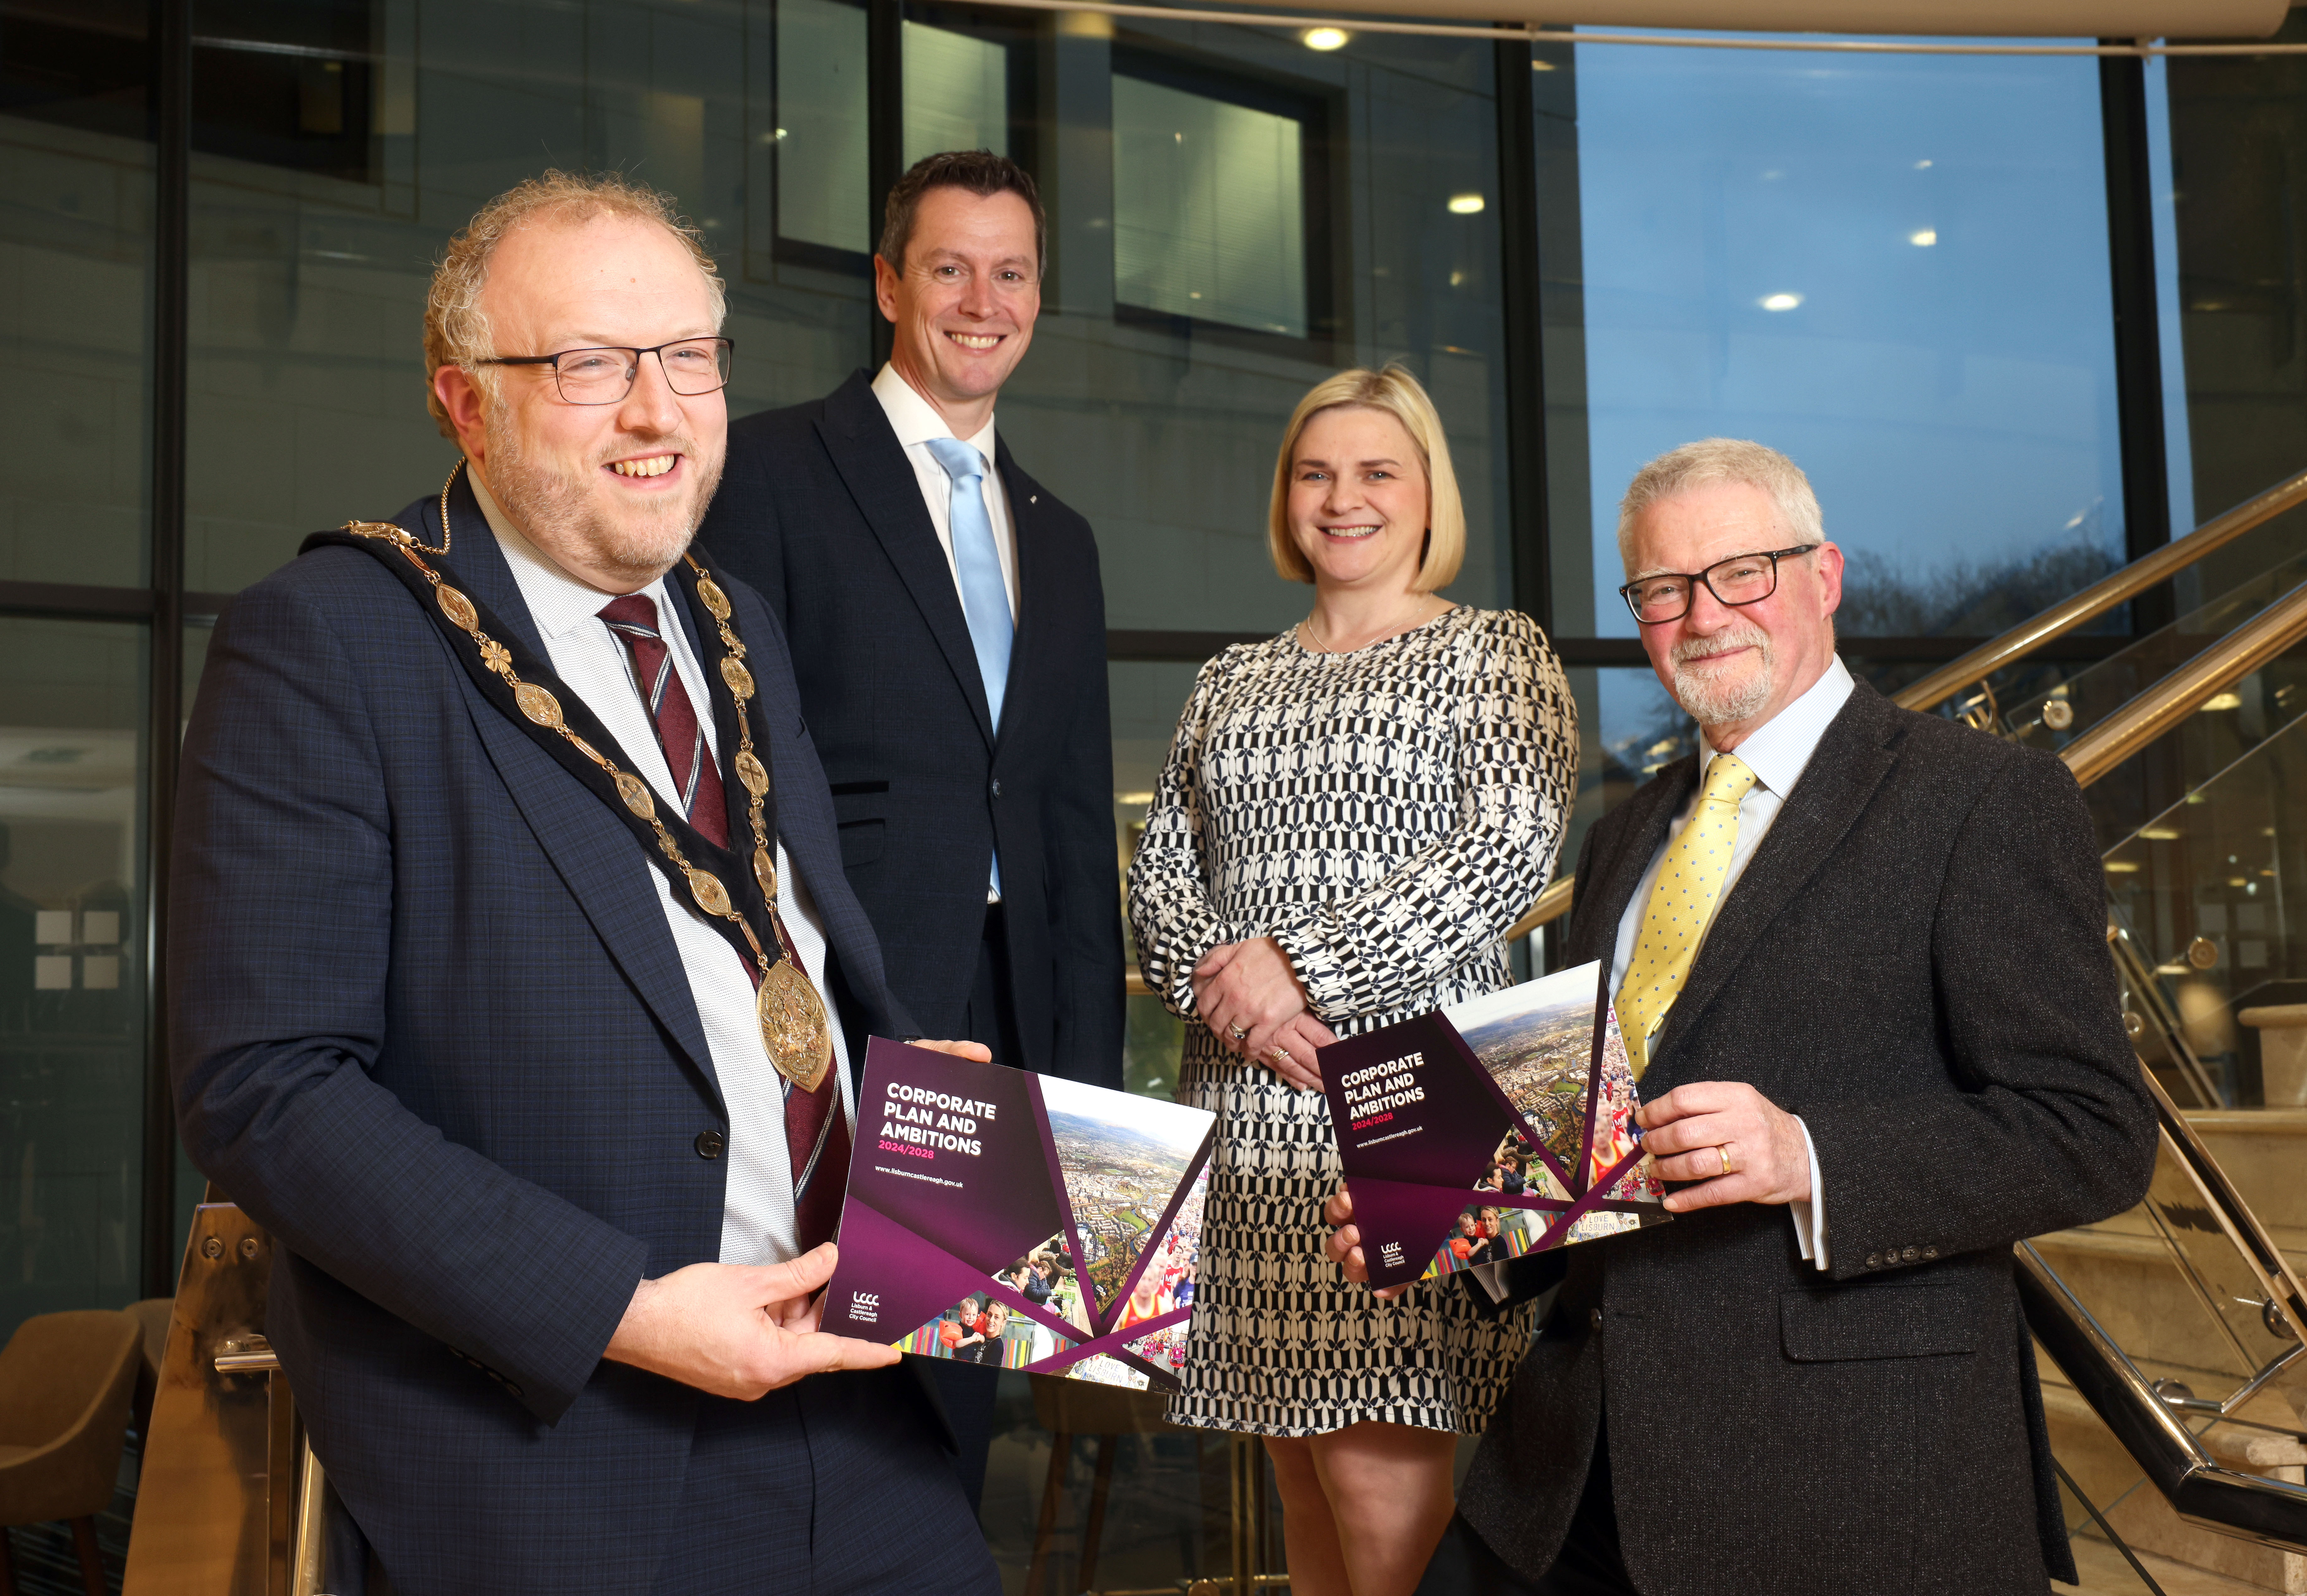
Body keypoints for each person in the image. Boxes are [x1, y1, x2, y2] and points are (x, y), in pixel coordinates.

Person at [169, 171, 1000, 1596]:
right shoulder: (326, 641)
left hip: (872, 1413)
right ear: (462, 399)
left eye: (688, 357)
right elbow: (265, 1086)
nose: (656, 411)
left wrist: (922, 1106)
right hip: (572, 1453)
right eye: (588, 365)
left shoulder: (733, 623)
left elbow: (785, 950)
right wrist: (625, 1311)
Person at [1325, 438, 2158, 1596]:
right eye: (1662, 589)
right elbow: (1587, 1139)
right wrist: (1446, 1223)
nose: (1702, 614)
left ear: (1824, 575)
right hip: (1567, 1464)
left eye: (1740, 573)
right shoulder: (1624, 836)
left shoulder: (1983, 800)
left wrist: (1804, 1153)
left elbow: (2092, 1131)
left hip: (1842, 1477)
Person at [697, 148, 1121, 1506]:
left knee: (954, 1393)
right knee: (828, 1386)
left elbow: (1061, 817)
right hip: (845, 1005)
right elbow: (736, 763)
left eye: (1011, 272)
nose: (981, 299)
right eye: (949, 267)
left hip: (1010, 1016)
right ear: (889, 283)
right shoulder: (767, 471)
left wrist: (1095, 1094)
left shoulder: (1064, 537)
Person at [1128, 365, 1577, 1596]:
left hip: (1405, 1109)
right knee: (1299, 1477)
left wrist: (1297, 969)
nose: (1344, 497)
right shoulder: (1228, 678)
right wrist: (1240, 997)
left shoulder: (1494, 653)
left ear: (1429, 491)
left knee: (1384, 1480)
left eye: (1378, 469)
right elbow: (1162, 879)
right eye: (1316, 471)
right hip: (1245, 1122)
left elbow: (1503, 850)